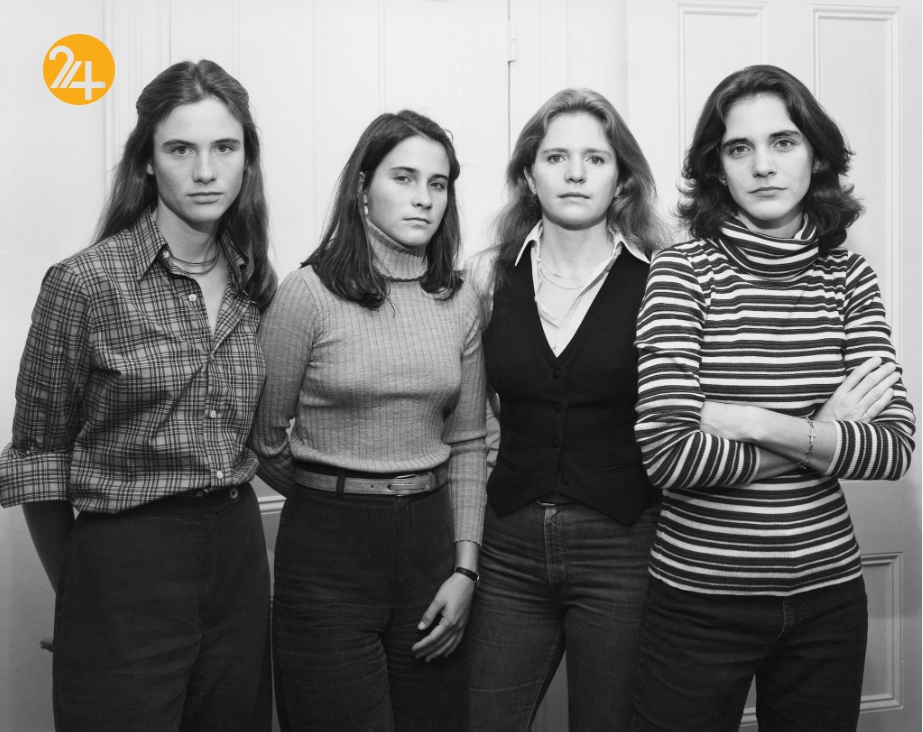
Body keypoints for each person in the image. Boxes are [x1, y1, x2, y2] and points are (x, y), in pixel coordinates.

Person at [630, 65, 915, 732]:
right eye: (739, 148)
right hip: (698, 599)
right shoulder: (680, 271)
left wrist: (754, 422)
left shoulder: (849, 278)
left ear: (816, 155)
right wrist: (823, 430)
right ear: (716, 167)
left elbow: (892, 448)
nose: (762, 165)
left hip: (826, 598)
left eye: (783, 142)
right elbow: (670, 457)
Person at [0, 60, 276, 731]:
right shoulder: (84, 284)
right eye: (180, 149)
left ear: (246, 159)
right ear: (148, 162)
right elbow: (39, 459)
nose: (205, 171)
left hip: (237, 552)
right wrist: (83, 596)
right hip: (124, 557)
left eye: (225, 147)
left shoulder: (256, 284)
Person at [249, 109, 486, 731]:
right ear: (362, 187)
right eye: (403, 178)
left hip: (431, 547)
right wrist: (338, 492)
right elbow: (264, 438)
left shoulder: (458, 297)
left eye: (438, 184)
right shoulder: (307, 294)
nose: (424, 198)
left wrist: (465, 569)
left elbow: (468, 443)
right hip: (327, 552)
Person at [464, 88, 672, 731]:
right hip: (508, 545)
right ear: (529, 175)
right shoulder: (486, 277)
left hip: (623, 545)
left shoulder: (663, 279)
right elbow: (469, 411)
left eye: (595, 158)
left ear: (621, 178)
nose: (576, 173)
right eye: (556, 157)